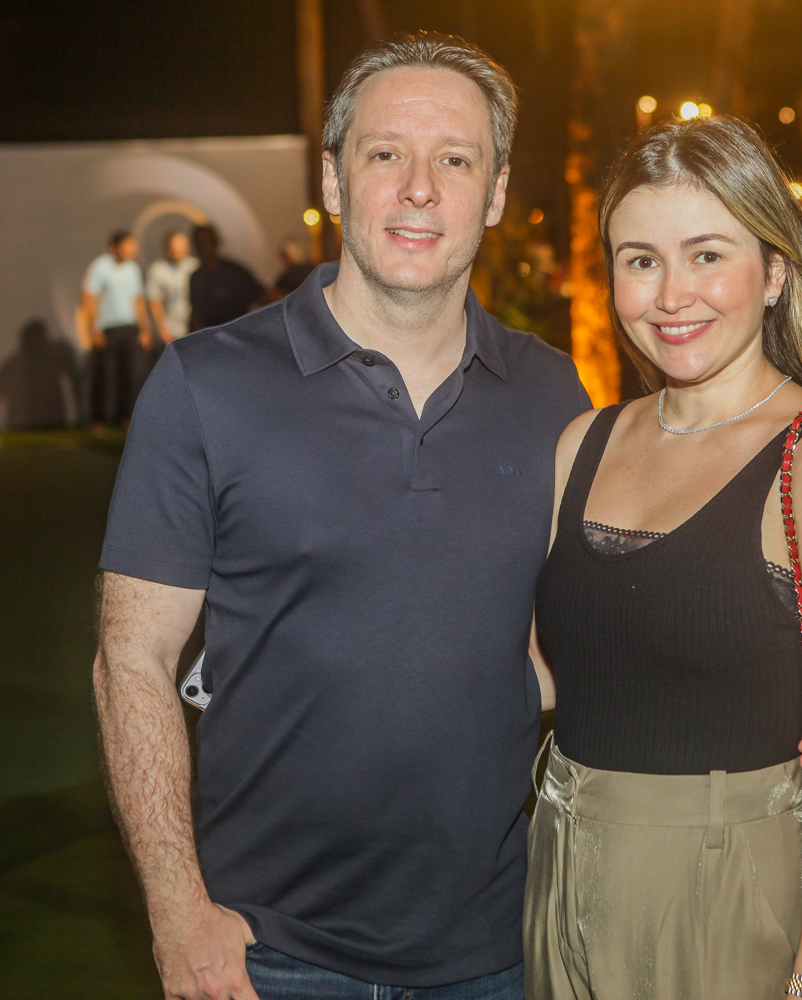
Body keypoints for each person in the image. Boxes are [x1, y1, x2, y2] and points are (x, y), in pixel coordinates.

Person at [93, 35, 585, 1000]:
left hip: (495, 952)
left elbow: (563, 646)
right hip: (264, 951)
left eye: (456, 160)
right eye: (384, 152)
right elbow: (131, 660)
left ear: (494, 193)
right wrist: (176, 907)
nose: (418, 188)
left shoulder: (552, 393)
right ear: (332, 178)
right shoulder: (205, 384)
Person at [526, 116, 802, 1000]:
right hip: (562, 869)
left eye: (707, 255)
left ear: (775, 273)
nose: (672, 295)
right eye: (640, 260)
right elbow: (551, 673)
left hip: (730, 888)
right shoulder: (583, 444)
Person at [81, 230, 150, 426]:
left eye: (133, 246)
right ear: (114, 247)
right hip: (107, 329)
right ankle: (99, 419)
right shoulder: (100, 266)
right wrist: (94, 329)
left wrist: (144, 329)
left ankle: (125, 417)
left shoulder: (133, 269)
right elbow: (89, 298)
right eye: (127, 246)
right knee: (105, 375)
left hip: (129, 328)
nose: (132, 250)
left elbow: (138, 300)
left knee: (130, 374)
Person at [188, 224, 264, 331]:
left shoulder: (235, 272)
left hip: (240, 332)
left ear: (215, 242)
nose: (203, 247)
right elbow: (195, 312)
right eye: (199, 243)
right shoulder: (196, 278)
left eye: (205, 241)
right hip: (212, 335)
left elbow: (262, 297)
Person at [147, 229, 202, 347]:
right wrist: (163, 331)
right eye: (174, 248)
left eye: (182, 247)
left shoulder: (195, 266)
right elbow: (155, 302)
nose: (178, 251)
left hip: (194, 330)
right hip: (171, 331)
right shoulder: (158, 269)